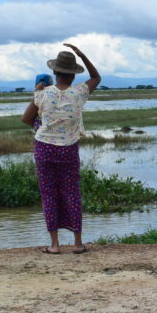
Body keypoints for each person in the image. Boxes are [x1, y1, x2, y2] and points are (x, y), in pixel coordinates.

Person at [21, 43, 101, 254]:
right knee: (72, 193)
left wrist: (37, 93)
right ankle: (77, 243)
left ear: (54, 73)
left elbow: (26, 118)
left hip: (44, 149)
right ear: (74, 75)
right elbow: (96, 78)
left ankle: (55, 245)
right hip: (68, 150)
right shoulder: (79, 93)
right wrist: (82, 55)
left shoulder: (43, 94)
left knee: (49, 195)